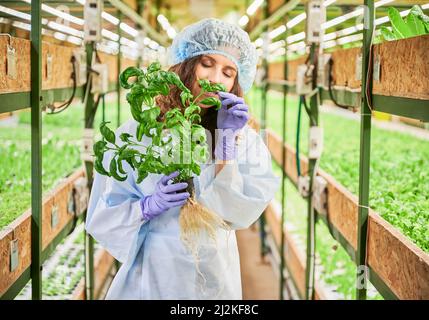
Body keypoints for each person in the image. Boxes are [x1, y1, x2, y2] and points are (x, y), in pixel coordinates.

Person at [85, 18, 280, 300]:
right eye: (206, 63)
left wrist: (225, 145)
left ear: (237, 82)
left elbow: (243, 211)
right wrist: (146, 207)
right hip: (153, 270)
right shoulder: (139, 131)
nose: (215, 79)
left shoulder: (242, 138)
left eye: (228, 72)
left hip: (214, 272)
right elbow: (103, 214)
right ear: (185, 65)